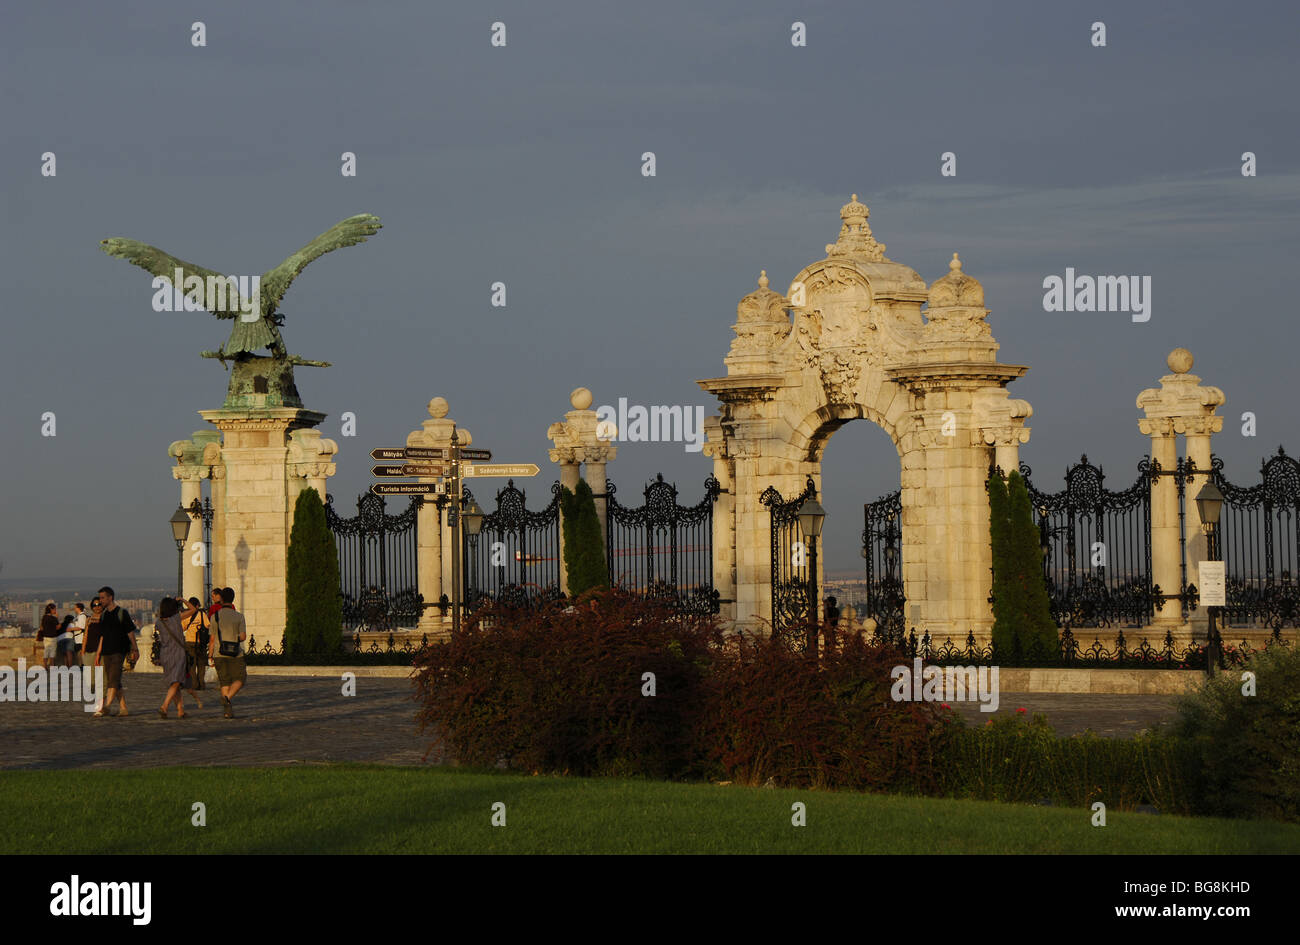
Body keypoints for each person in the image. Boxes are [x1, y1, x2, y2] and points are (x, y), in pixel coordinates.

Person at [93, 586, 139, 718]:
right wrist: (98, 653)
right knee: (115, 680)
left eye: (102, 598)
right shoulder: (103, 615)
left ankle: (106, 707)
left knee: (113, 679)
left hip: (119, 650)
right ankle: (123, 708)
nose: (100, 601)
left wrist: (135, 649)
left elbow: (130, 632)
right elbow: (102, 635)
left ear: (110, 597)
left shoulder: (121, 613)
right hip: (106, 651)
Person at [156, 597, 203, 718]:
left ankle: (180, 710)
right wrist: (182, 600)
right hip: (178, 653)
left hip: (165, 654)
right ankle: (164, 706)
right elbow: (193, 610)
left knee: (174, 683)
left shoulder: (158, 622)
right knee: (176, 682)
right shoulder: (176, 618)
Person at [208, 586, 246, 719]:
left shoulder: (214, 616)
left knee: (224, 681)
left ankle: (227, 710)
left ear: (222, 599)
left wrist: (210, 654)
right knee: (240, 678)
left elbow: (212, 638)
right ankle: (227, 698)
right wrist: (233, 637)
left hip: (219, 653)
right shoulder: (239, 616)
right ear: (233, 599)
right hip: (235, 653)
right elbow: (243, 637)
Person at [182, 597, 209, 691]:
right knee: (201, 664)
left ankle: (194, 684)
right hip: (201, 642)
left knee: (191, 665)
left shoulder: (187, 615)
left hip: (190, 641)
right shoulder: (202, 614)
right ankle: (201, 684)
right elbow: (207, 625)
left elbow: (183, 628)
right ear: (197, 605)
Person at [37, 603, 59, 668]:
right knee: (52, 653)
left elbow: (41, 627)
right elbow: (58, 627)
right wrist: (56, 618)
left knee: (46, 652)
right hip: (53, 637)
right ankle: (52, 666)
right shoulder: (53, 618)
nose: (55, 611)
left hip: (45, 637)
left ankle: (45, 666)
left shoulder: (44, 617)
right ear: (51, 610)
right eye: (55, 609)